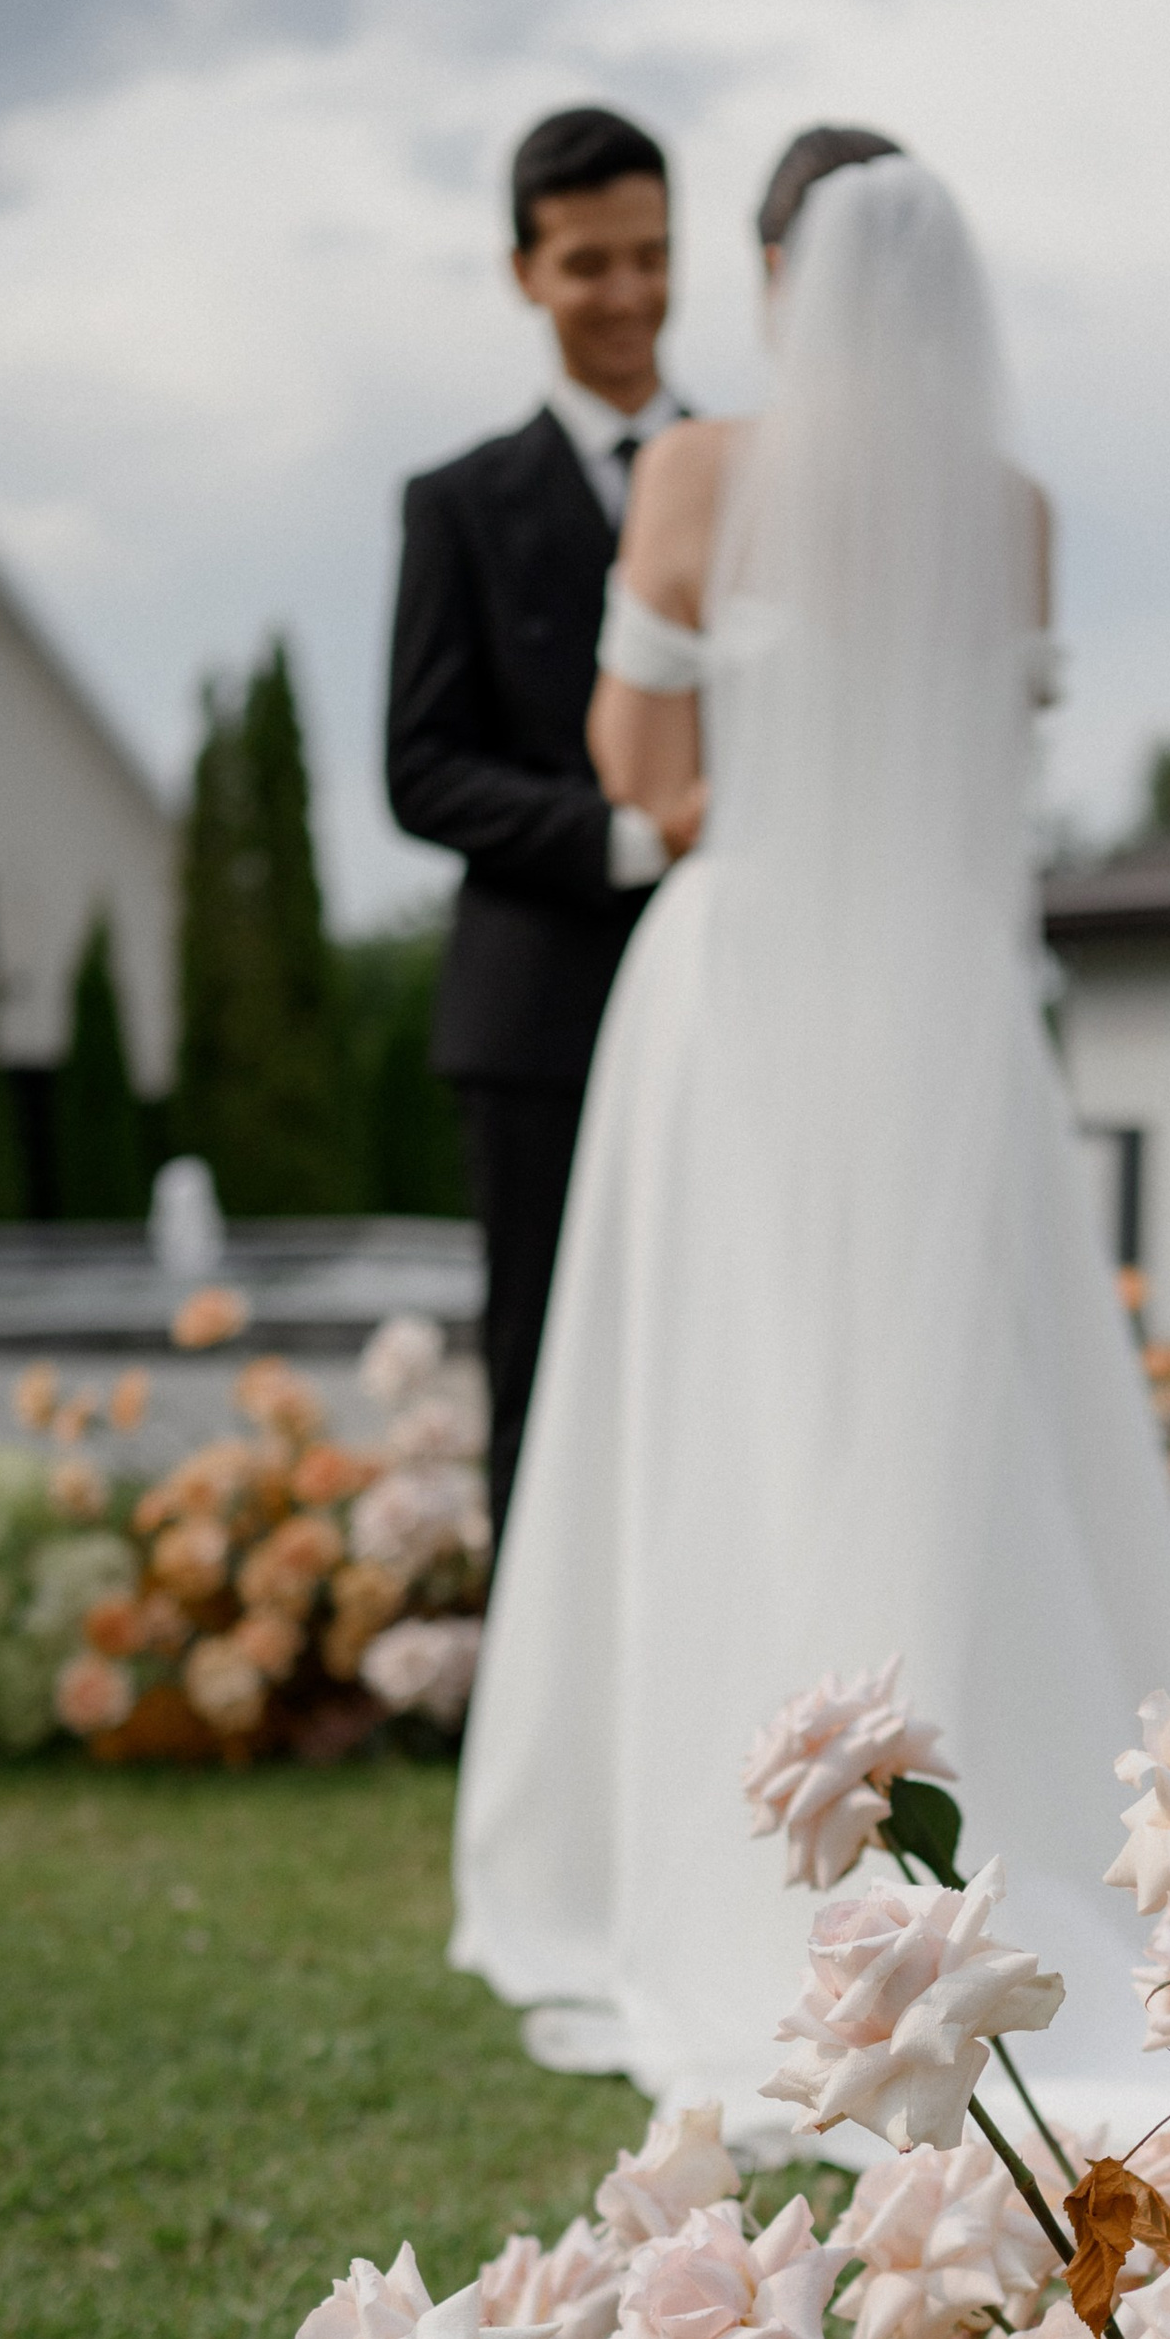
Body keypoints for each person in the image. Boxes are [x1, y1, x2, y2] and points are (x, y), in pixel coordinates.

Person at [451, 136, 1170, 2134]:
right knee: (961, 1400)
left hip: (748, 981)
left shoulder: (700, 475)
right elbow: (995, 777)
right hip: (947, 997)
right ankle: (1002, 1806)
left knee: (724, 1401)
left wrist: (759, 790)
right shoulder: (1017, 513)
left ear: (778, 276)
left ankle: (742, 1838)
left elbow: (637, 764)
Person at [386, 105, 688, 1536]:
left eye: (651, 256)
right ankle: (533, 1710)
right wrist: (626, 838)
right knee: (543, 1365)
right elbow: (420, 767)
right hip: (535, 1021)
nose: (625, 295)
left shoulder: (757, 475)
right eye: (587, 264)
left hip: (726, 999)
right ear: (524, 272)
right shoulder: (455, 503)